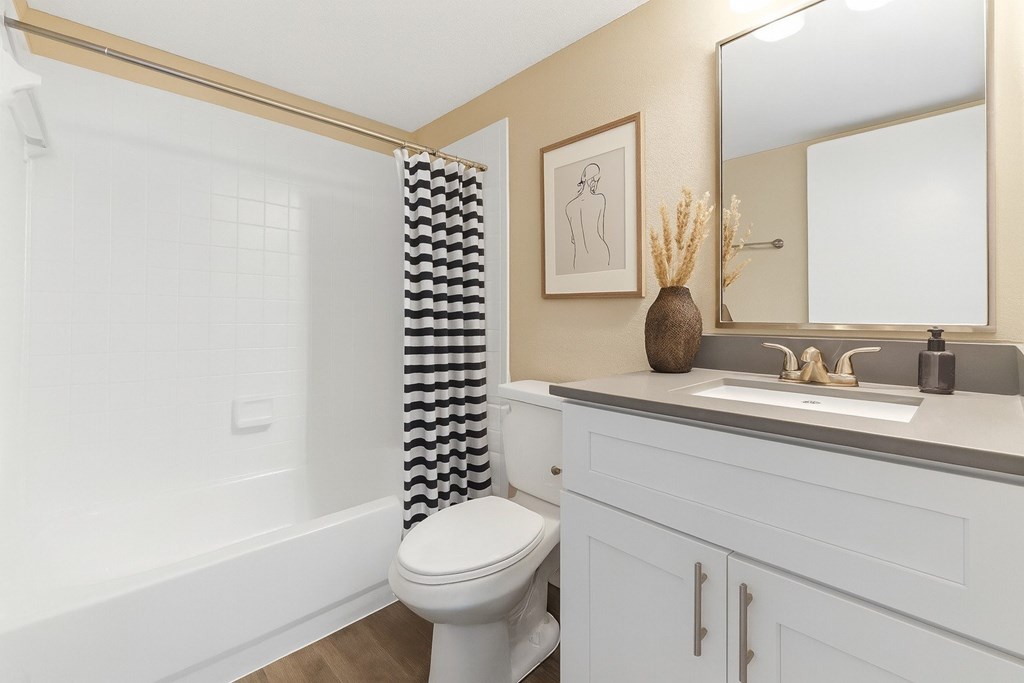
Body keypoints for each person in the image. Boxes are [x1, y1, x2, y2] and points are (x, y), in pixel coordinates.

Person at [564, 162, 610, 272]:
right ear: (593, 180)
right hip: (599, 253)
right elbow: (600, 232)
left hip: (579, 259)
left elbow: (573, 239)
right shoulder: (600, 199)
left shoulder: (569, 207)